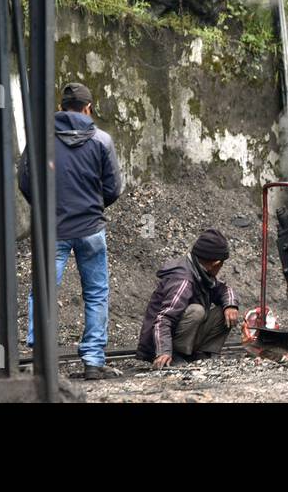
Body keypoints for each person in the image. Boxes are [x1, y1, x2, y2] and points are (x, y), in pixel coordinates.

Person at [19, 81, 123, 380]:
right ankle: (93, 361)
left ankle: (42, 358)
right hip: (91, 229)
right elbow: (113, 188)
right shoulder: (102, 140)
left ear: (61, 108)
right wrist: (93, 206)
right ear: (88, 108)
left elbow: (25, 181)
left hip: (53, 230)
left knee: (44, 291)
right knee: (96, 294)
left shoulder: (41, 139)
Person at [137, 228, 240, 368]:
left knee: (226, 310)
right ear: (215, 263)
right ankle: (176, 355)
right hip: (159, 345)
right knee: (196, 311)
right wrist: (164, 351)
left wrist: (231, 305)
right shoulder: (183, 280)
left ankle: (201, 353)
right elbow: (164, 319)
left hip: (183, 337)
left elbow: (224, 290)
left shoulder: (202, 271)